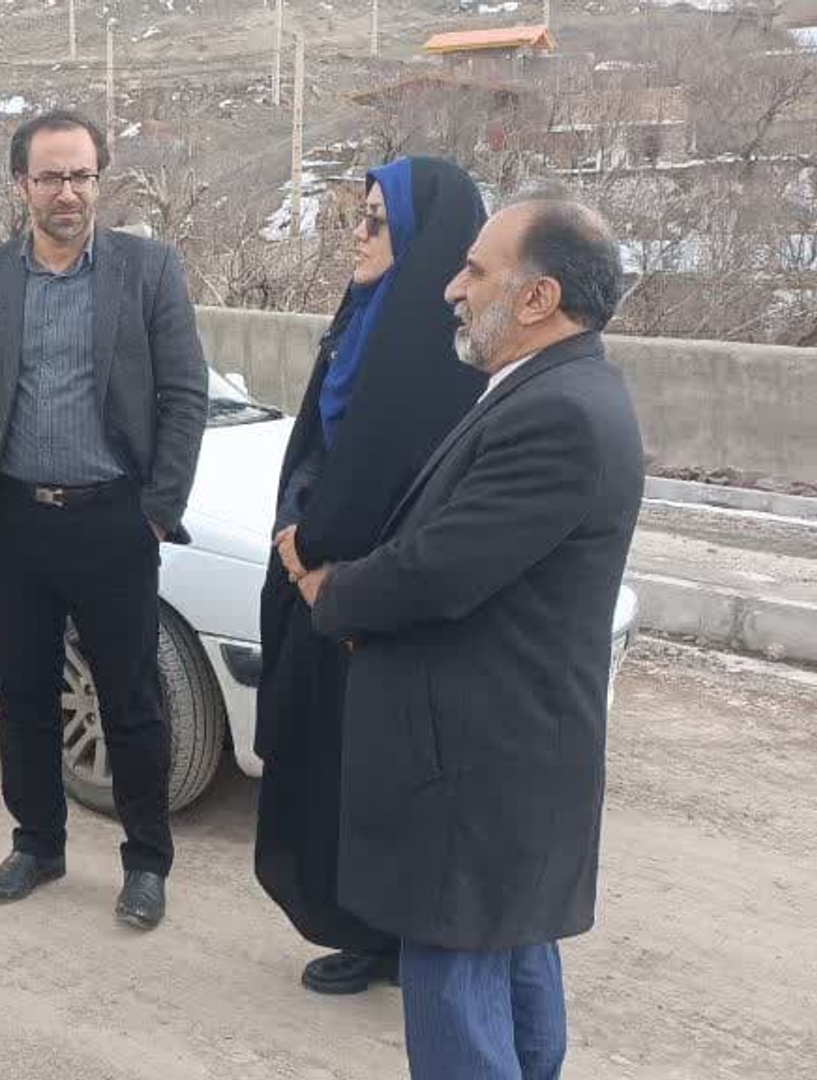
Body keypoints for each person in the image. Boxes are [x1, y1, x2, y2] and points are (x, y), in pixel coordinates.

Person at [281, 195, 643, 1079]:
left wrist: (328, 590)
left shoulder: (559, 414)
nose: (452, 287)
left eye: (476, 270)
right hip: (503, 768)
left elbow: (437, 570)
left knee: (457, 994)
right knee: (512, 959)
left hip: (477, 773)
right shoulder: (550, 389)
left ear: (538, 298)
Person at [0, 109, 208, 930]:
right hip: (12, 525)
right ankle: (37, 844)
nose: (68, 193)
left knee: (131, 701)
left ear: (98, 179)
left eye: (81, 175)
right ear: (21, 184)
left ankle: (146, 861)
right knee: (21, 697)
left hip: (112, 522)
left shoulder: (147, 271)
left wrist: (156, 513)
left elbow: (185, 396)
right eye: (50, 177)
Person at [253, 157, 488, 996]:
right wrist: (301, 542)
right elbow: (323, 444)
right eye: (359, 216)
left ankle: (384, 935)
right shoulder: (366, 317)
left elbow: (386, 467)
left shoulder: (440, 350)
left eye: (376, 222)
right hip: (319, 573)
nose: (356, 235)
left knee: (375, 778)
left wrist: (315, 545)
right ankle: (358, 922)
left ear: (425, 240)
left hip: (373, 598)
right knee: (324, 763)